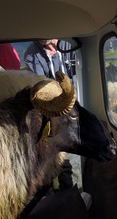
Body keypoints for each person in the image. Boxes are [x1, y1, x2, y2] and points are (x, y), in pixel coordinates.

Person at [24, 39, 80, 192]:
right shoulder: (31, 54)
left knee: (74, 154)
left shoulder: (70, 44)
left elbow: (79, 72)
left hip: (76, 105)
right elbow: (42, 86)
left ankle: (74, 190)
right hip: (52, 110)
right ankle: (53, 189)